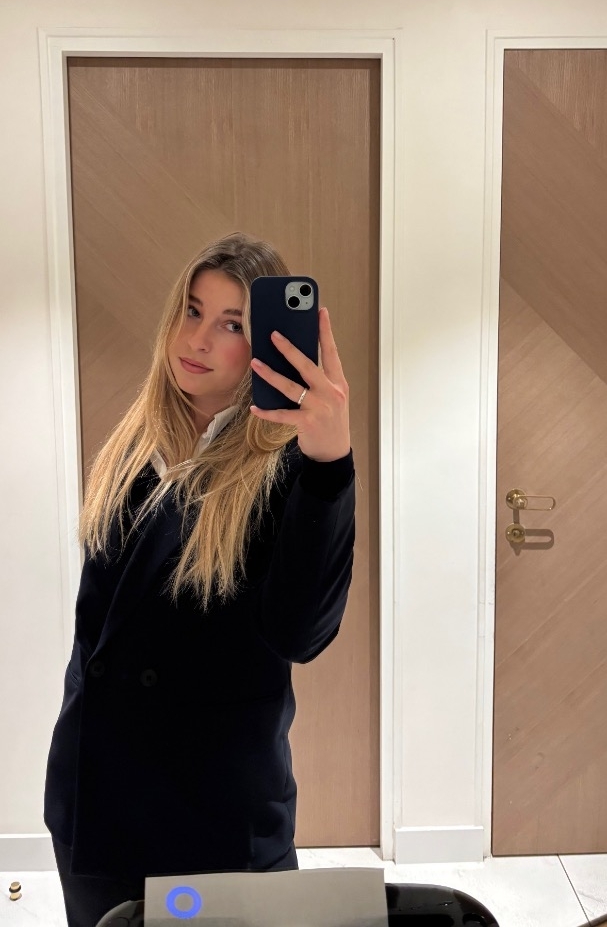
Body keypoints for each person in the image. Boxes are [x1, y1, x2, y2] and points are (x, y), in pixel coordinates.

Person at [44, 232, 355, 927]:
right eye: (192, 310)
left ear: (269, 342)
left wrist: (329, 463)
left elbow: (302, 634)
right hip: (94, 801)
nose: (198, 338)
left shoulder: (286, 466)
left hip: (214, 818)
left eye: (232, 324)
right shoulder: (139, 441)